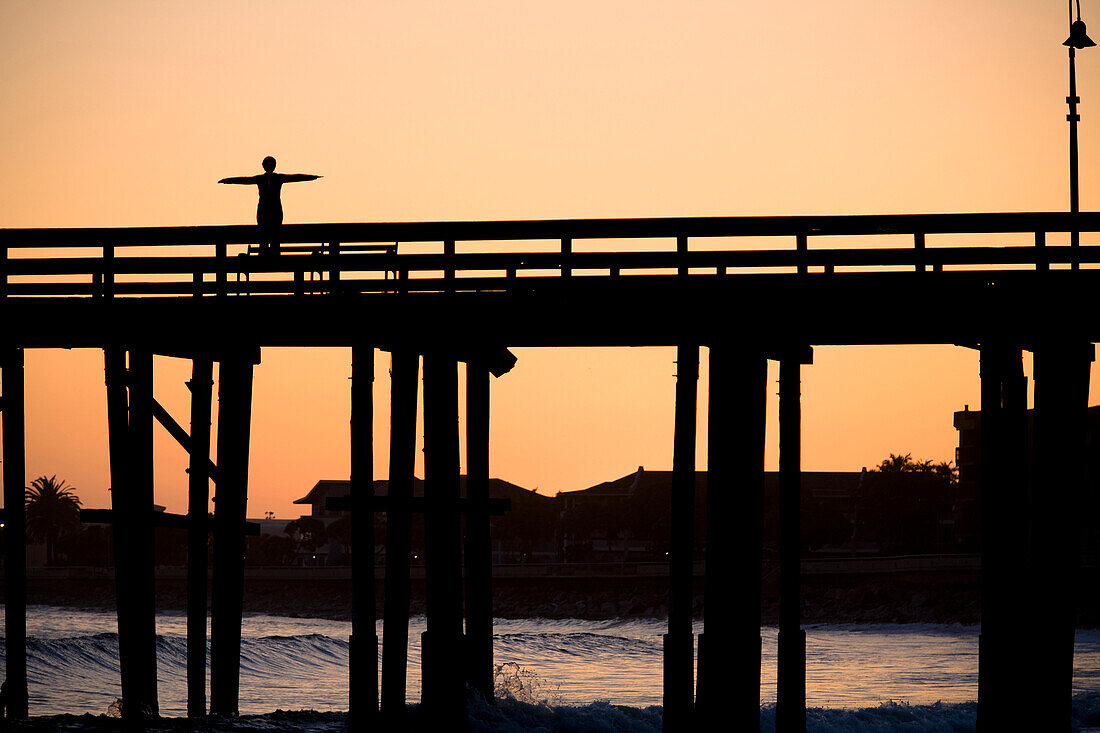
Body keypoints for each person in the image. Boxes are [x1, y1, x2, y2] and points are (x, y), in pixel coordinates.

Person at [218, 156, 321, 255]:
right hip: (263, 210)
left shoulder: (279, 177)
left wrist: (312, 177)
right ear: (264, 166)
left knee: (276, 234)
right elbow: (244, 180)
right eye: (267, 165)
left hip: (276, 210)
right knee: (262, 234)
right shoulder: (260, 179)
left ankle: (275, 255)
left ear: (274, 166)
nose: (269, 167)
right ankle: (262, 254)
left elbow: (295, 177)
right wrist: (228, 181)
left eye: (271, 165)